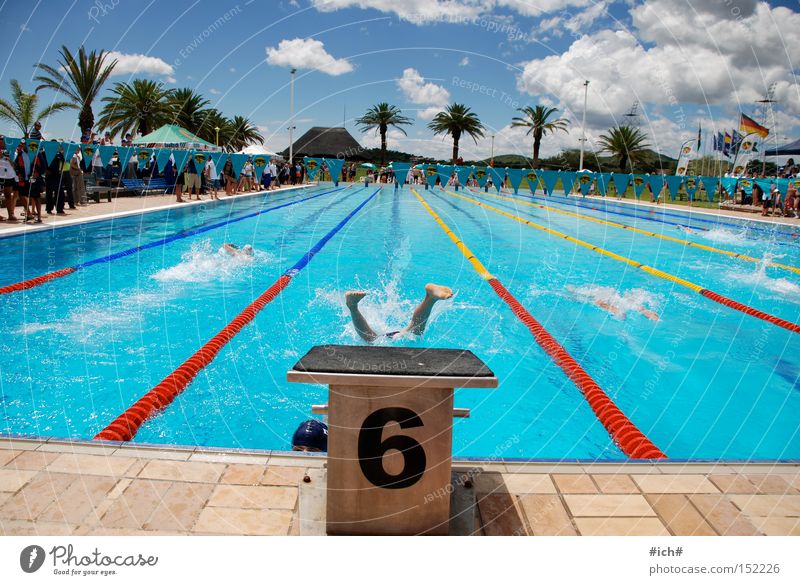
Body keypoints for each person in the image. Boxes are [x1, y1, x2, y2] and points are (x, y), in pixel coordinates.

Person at [345, 283, 453, 343]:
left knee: (371, 339)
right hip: (394, 337)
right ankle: (430, 298)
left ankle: (352, 306)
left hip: (390, 340)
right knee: (414, 330)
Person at [45, 144, 67, 215]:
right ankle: (49, 209)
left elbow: (63, 162)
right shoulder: (45, 153)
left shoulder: (59, 154)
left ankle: (59, 208)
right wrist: (46, 170)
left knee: (59, 193)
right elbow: (43, 162)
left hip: (57, 175)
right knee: (49, 193)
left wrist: (61, 169)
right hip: (49, 175)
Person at [0, 150, 17, 221]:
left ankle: (10, 214)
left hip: (9, 177)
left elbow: (15, 166)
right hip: (0, 176)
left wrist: (9, 159)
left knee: (8, 196)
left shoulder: (12, 152)